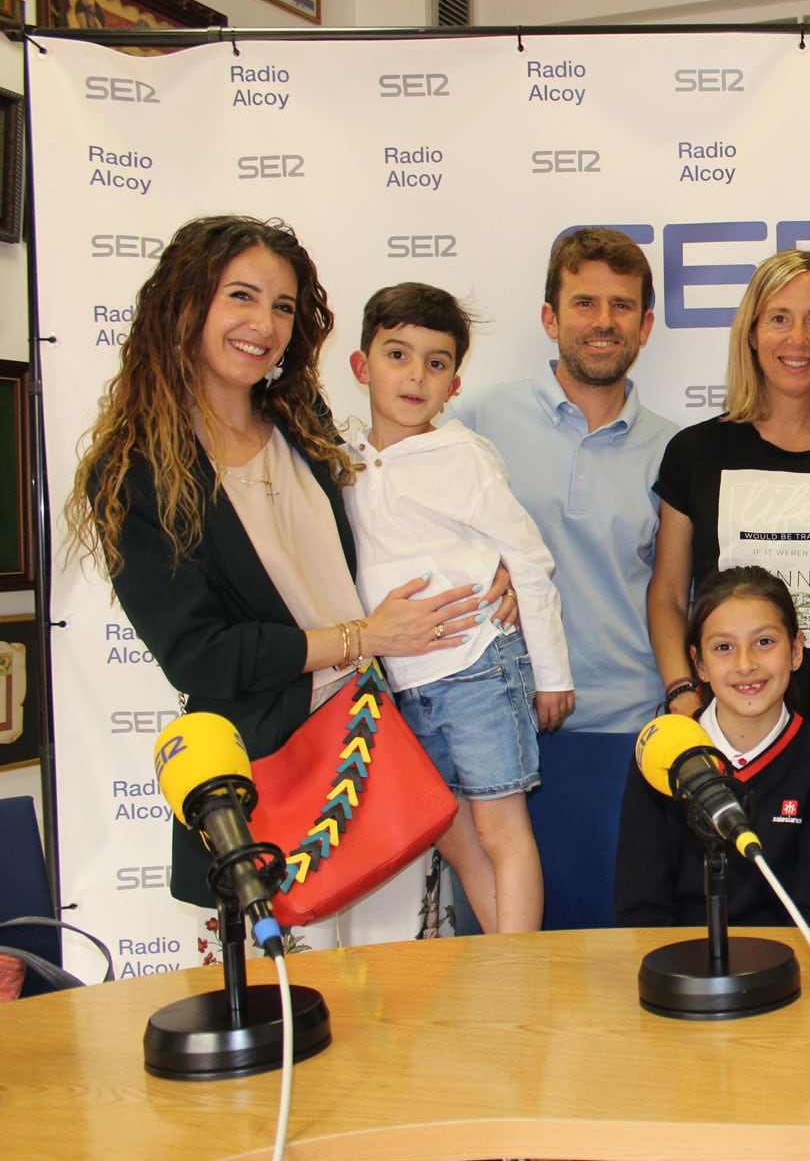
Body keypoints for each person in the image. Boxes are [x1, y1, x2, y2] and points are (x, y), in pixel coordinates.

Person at [64, 215, 482, 910]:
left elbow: (387, 532)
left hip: (377, 753)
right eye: (242, 296)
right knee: (289, 1007)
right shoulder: (133, 472)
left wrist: (483, 571)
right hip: (267, 784)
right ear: (185, 302)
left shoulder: (302, 420)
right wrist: (361, 639)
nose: (264, 322)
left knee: (406, 999)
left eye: (283, 306)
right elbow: (201, 656)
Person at [341, 282, 574, 934]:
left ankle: (519, 974)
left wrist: (553, 675)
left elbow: (529, 559)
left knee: (501, 828)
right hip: (402, 682)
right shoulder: (343, 457)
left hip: (478, 668)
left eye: (435, 363)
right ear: (361, 366)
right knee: (449, 830)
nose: (415, 376)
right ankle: (504, 964)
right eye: (397, 355)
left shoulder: (463, 456)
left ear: (455, 383)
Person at [648, 250, 810, 724]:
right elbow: (666, 592)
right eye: (779, 318)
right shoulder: (694, 452)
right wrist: (683, 691)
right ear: (751, 334)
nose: (797, 339)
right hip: (717, 723)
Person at [446, 227, 677, 733]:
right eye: (584, 303)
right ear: (550, 318)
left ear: (645, 325)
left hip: (631, 721)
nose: (603, 321)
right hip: (495, 715)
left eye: (621, 306)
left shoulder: (674, 450)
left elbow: (678, 597)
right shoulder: (473, 421)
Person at [614, 566, 810, 928]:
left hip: (789, 972)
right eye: (723, 648)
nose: (746, 665)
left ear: (796, 650)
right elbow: (639, 909)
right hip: (678, 970)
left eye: (764, 642)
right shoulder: (663, 754)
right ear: (699, 664)